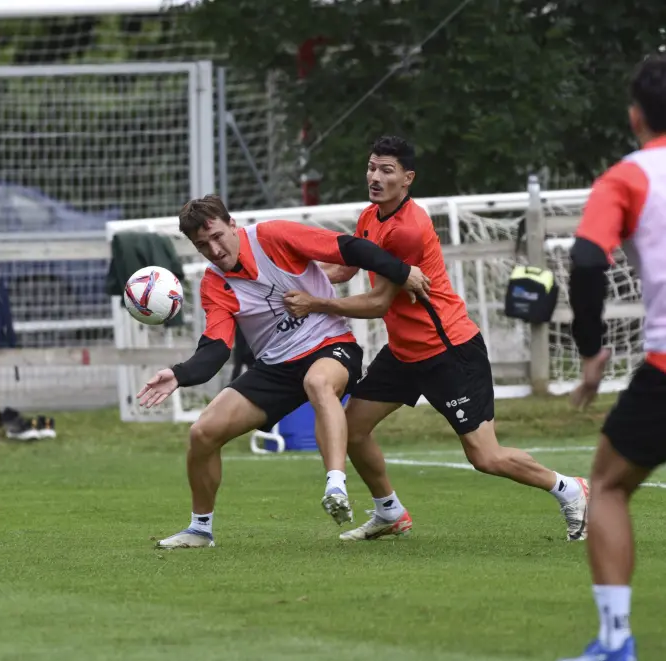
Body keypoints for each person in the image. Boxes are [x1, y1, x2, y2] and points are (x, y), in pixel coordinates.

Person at [282, 136, 590, 543]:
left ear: (407, 179)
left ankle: (571, 489)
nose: (375, 176)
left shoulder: (408, 229)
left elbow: (377, 304)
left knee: (485, 456)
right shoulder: (371, 217)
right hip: (404, 353)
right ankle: (389, 511)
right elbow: (345, 269)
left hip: (448, 352)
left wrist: (315, 303)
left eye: (386, 170)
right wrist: (292, 274)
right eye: (372, 167)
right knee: (351, 429)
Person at [137, 194, 432, 549]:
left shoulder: (273, 236)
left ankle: (335, 484)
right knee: (203, 432)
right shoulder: (215, 285)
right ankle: (200, 529)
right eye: (203, 245)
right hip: (276, 367)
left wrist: (402, 272)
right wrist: (179, 374)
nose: (214, 250)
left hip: (330, 344)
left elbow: (349, 248)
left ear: (233, 225)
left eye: (217, 236)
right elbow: (216, 348)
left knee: (318, 382)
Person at [557, 54, 666, 661]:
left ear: (634, 115)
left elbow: (588, 262)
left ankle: (616, 639)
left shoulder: (628, 177)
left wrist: (592, 351)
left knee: (607, 486)